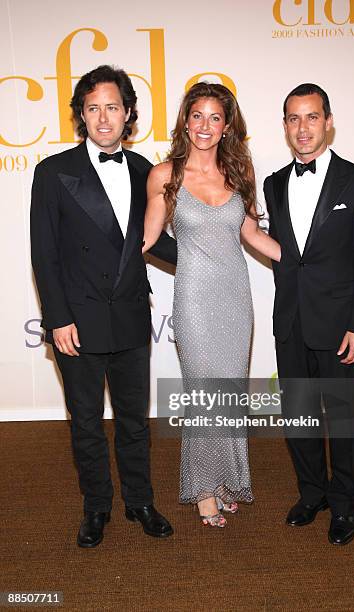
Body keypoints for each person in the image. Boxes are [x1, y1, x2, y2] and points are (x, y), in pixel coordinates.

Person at [30, 65, 176, 547]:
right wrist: (57, 320)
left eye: (112, 107)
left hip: (130, 314)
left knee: (135, 421)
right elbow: (44, 254)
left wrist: (217, 239)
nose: (103, 117)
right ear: (81, 117)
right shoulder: (53, 173)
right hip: (80, 319)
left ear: (129, 112)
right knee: (87, 424)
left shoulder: (145, 171)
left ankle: (140, 501)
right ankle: (96, 508)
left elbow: (155, 242)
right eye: (93, 108)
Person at [143, 82, 281, 527]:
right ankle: (203, 490)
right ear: (186, 121)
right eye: (197, 116)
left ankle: (224, 481)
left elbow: (253, 236)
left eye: (215, 117)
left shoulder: (237, 174)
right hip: (195, 299)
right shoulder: (165, 175)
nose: (205, 125)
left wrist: (307, 259)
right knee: (204, 391)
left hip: (235, 296)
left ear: (226, 126)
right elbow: (147, 238)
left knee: (229, 392)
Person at [264, 83, 354, 545]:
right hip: (291, 322)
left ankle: (347, 502)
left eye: (312, 117)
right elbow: (286, 254)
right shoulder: (274, 184)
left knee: (346, 419)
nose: (303, 128)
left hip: (341, 327)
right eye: (293, 118)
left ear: (328, 121)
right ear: (285, 126)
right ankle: (311, 492)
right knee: (298, 416)